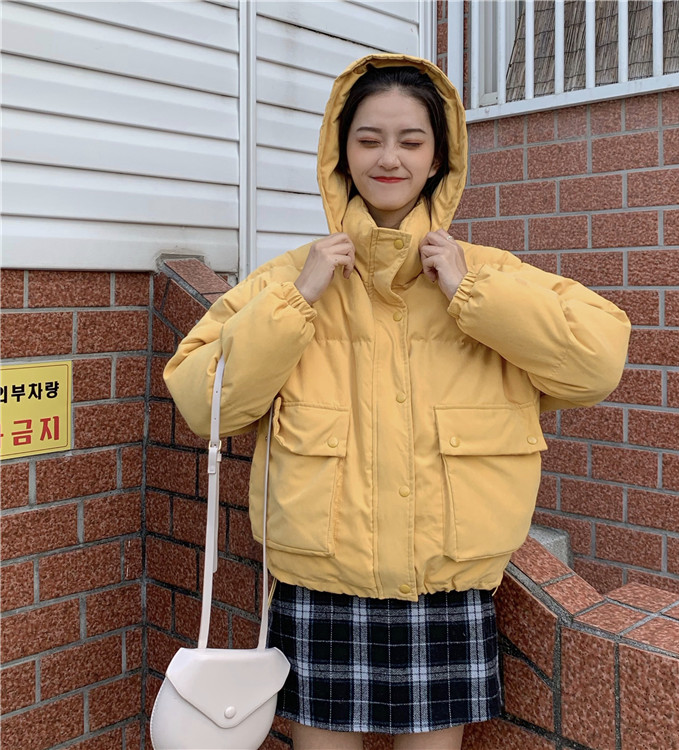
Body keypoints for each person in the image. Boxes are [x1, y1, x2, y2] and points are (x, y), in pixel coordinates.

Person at [164, 53, 630, 750]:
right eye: (369, 139)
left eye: (411, 140)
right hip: (320, 582)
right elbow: (205, 401)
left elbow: (598, 361)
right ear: (341, 154)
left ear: (439, 158)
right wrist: (299, 299)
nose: (389, 158)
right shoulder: (291, 277)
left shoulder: (485, 273)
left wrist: (473, 294)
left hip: (445, 585)